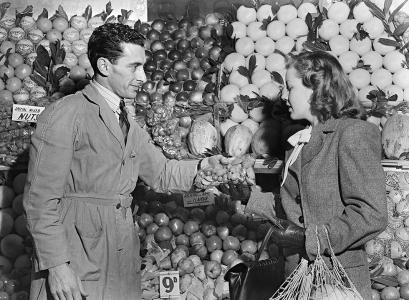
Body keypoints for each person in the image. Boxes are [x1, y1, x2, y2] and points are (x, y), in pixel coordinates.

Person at [23, 23, 227, 300]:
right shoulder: (65, 114)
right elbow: (40, 200)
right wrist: (57, 265)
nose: (142, 76)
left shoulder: (126, 120)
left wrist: (203, 167)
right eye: (134, 67)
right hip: (77, 250)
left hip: (119, 246)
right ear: (105, 66)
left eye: (142, 66)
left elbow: (161, 172)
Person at [245, 51, 387, 299]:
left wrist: (309, 239)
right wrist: (249, 197)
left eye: (290, 87)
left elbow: (372, 214)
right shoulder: (297, 140)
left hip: (338, 281)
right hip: (298, 279)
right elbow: (297, 208)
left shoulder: (352, 134)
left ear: (315, 88)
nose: (285, 96)